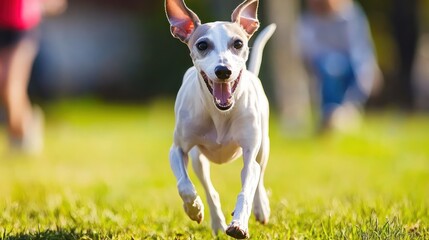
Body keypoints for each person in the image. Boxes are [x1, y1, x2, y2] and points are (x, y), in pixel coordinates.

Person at [297, 0, 381, 132]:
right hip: (324, 68)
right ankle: (330, 113)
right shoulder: (308, 20)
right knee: (330, 67)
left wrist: (367, 74)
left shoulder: (349, 15)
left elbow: (359, 51)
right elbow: (308, 51)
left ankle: (341, 112)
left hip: (352, 68)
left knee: (334, 67)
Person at [0, 0, 66, 153]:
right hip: (2, 25)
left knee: (12, 87)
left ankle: (21, 134)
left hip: (23, 27)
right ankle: (25, 125)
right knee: (4, 86)